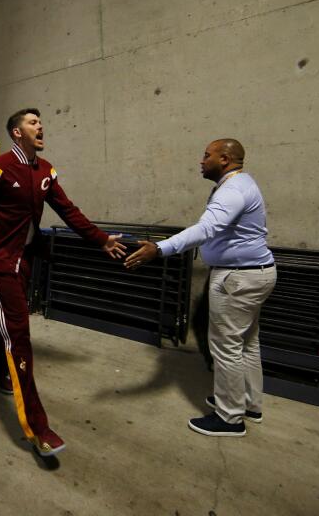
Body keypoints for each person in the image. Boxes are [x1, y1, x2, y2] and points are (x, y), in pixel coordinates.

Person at [0, 108, 126, 457]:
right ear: (16, 133)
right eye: (32, 123)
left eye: (40, 122)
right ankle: (37, 428)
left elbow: (68, 210)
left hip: (25, 260)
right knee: (19, 336)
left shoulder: (45, 171)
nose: (40, 126)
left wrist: (100, 239)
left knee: (6, 322)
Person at [125, 138, 276, 438]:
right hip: (257, 274)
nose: (201, 160)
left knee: (227, 347)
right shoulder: (243, 184)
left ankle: (230, 417)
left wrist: (159, 249)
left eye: (207, 155)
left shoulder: (232, 189)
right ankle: (248, 404)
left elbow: (206, 229)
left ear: (225, 158)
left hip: (237, 278)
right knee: (247, 342)